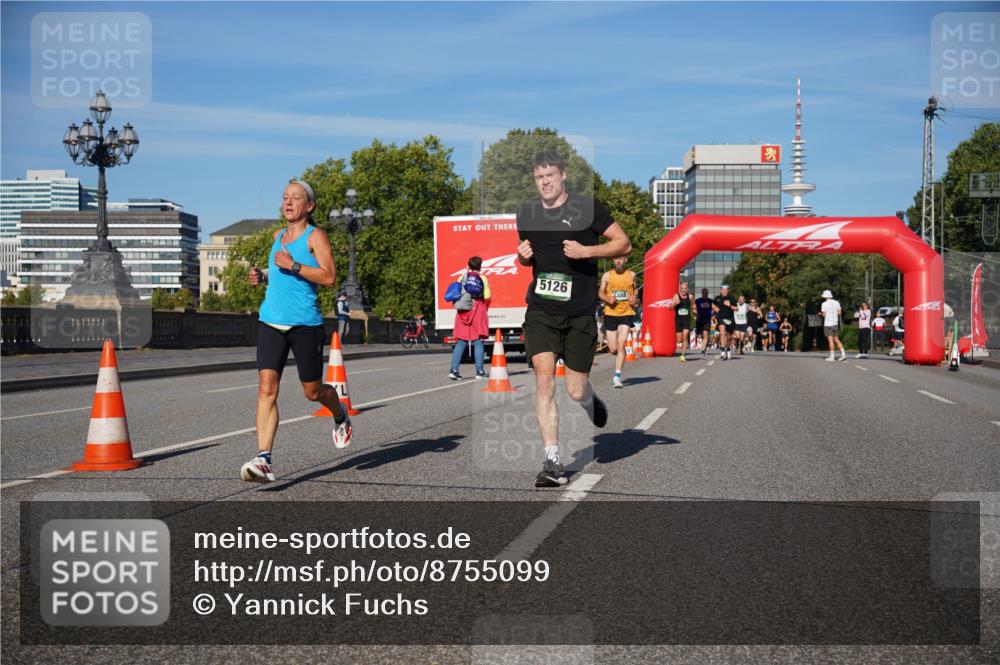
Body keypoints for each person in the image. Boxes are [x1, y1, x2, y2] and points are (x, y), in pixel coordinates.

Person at [517, 149, 630, 488]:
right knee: (543, 380)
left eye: (550, 175)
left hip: (579, 313)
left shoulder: (587, 209)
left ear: (562, 176)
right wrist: (522, 258)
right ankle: (552, 461)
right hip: (541, 311)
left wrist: (587, 251)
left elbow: (623, 244)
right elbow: (531, 259)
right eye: (539, 177)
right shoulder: (527, 214)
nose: (545, 181)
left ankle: (589, 400)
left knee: (575, 388)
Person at [244, 181, 352, 483]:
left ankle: (339, 412)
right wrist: (261, 276)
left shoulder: (315, 236)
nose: (288, 203)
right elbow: (278, 272)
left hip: (305, 324)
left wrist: (293, 266)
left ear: (310, 206)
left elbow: (329, 276)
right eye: (285, 198)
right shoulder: (277, 236)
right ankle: (263, 458)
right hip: (270, 322)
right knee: (267, 387)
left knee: (312, 391)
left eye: (296, 198)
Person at [449, 256, 491, 380]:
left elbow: (456, 293)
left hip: (463, 311)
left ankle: (454, 370)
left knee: (461, 341)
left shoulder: (462, 277)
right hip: (477, 310)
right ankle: (479, 372)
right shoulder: (482, 278)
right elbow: (487, 295)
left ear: (469, 265)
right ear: (480, 266)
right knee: (478, 340)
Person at [599, 255, 638, 388]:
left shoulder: (632, 275)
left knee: (621, 345)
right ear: (613, 260)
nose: (618, 260)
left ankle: (617, 376)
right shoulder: (607, 276)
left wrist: (634, 298)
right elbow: (600, 293)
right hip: (610, 313)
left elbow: (635, 290)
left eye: (621, 258)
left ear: (626, 260)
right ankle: (620, 353)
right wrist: (607, 299)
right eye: (616, 258)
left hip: (626, 313)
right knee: (613, 348)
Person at [819, 289, 847, 362]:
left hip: (828, 324)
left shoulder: (824, 304)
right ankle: (843, 354)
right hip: (835, 323)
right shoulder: (836, 302)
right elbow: (839, 313)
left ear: (825, 296)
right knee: (836, 339)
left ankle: (832, 356)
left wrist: (820, 314)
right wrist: (833, 314)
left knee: (830, 340)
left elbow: (824, 315)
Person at [672, 281, 695, 361]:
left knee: (685, 336)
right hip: (678, 319)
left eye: (685, 289)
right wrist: (675, 304)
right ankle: (679, 343)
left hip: (687, 319)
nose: (683, 290)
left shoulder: (691, 296)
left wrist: (694, 310)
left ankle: (682, 355)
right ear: (680, 289)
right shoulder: (676, 296)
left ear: (687, 289)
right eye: (682, 289)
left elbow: (693, 304)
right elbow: (670, 308)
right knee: (679, 339)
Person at [712, 284, 736, 360]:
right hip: (720, 318)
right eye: (723, 290)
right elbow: (713, 305)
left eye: (726, 290)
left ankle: (728, 348)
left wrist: (730, 305)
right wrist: (716, 309)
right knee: (722, 332)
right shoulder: (717, 298)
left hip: (730, 318)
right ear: (720, 290)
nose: (724, 291)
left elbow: (736, 308)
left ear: (728, 290)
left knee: (729, 337)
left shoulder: (731, 298)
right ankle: (722, 350)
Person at [695, 288, 715, 355]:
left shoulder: (711, 301)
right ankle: (704, 344)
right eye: (703, 293)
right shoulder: (698, 301)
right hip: (699, 320)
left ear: (707, 293)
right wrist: (695, 314)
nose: (704, 294)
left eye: (706, 293)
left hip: (707, 320)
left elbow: (715, 309)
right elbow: (693, 308)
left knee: (705, 335)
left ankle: (703, 349)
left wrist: (713, 315)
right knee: (699, 335)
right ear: (702, 293)